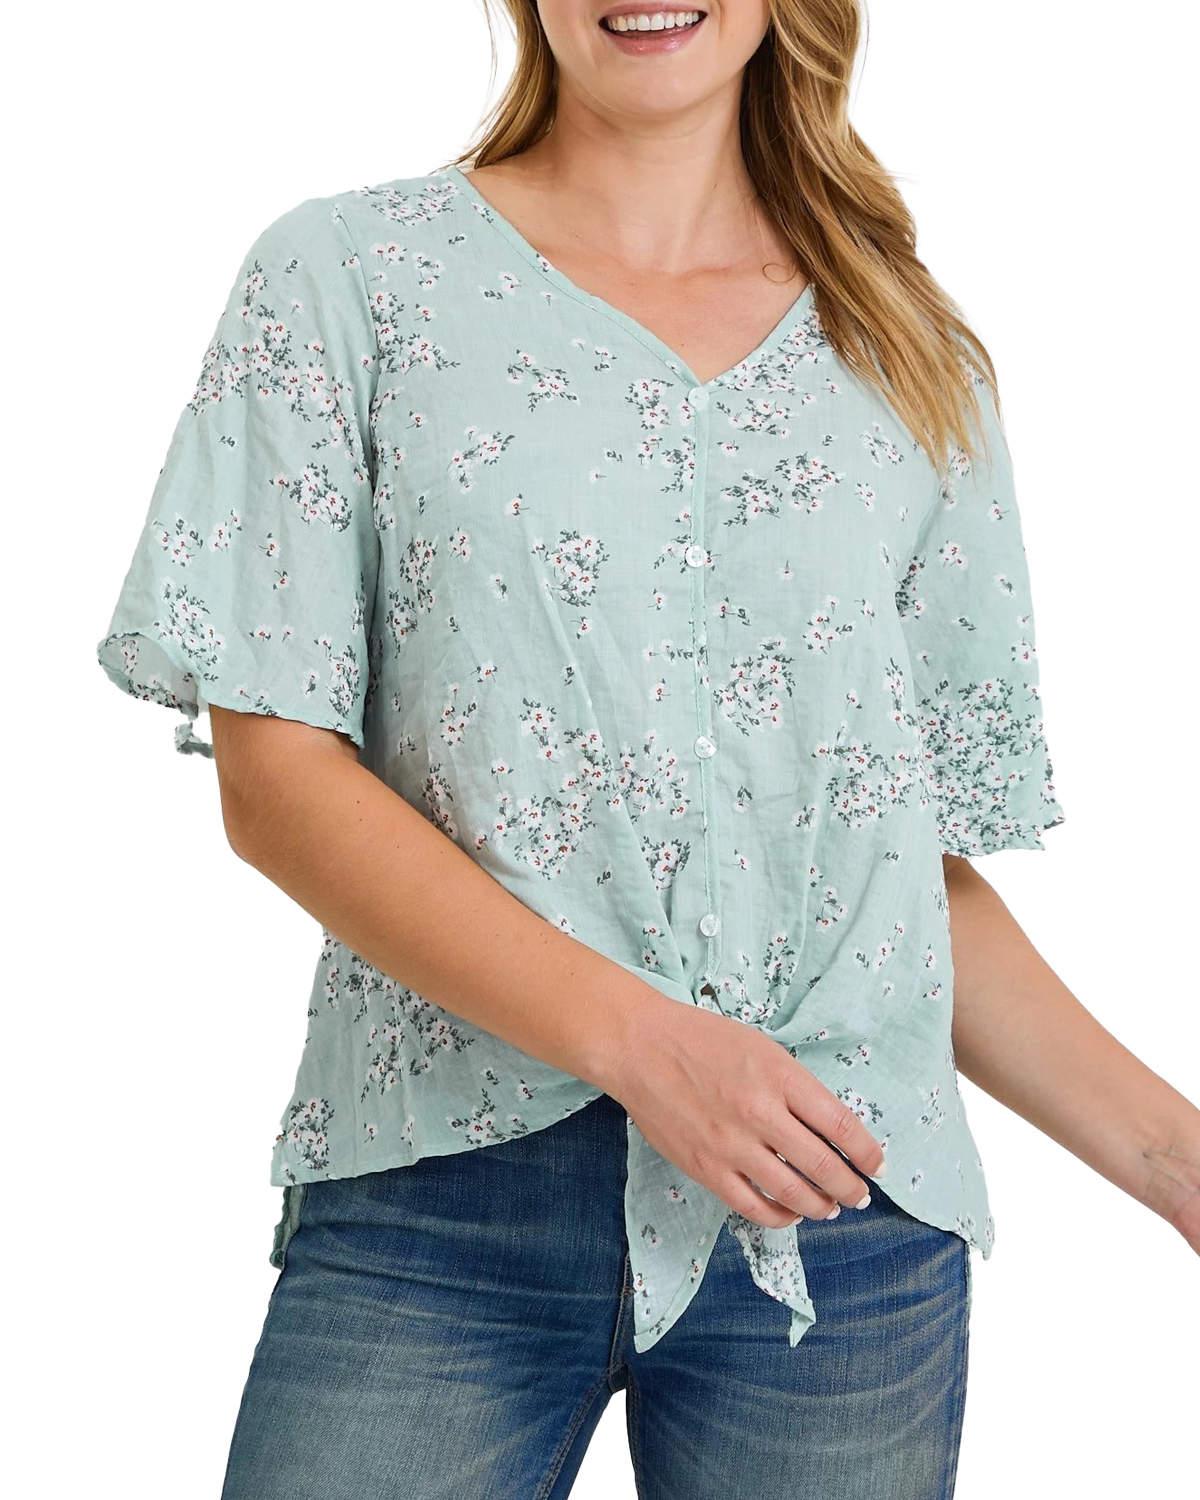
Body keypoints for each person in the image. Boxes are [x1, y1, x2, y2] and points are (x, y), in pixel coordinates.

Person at [94, 2, 1200, 1497]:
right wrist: (647, 1047)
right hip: (440, 1192)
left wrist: (1178, 1163)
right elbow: (276, 781)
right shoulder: (350, 279)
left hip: (840, 1218)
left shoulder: (910, 351)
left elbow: (902, 885)